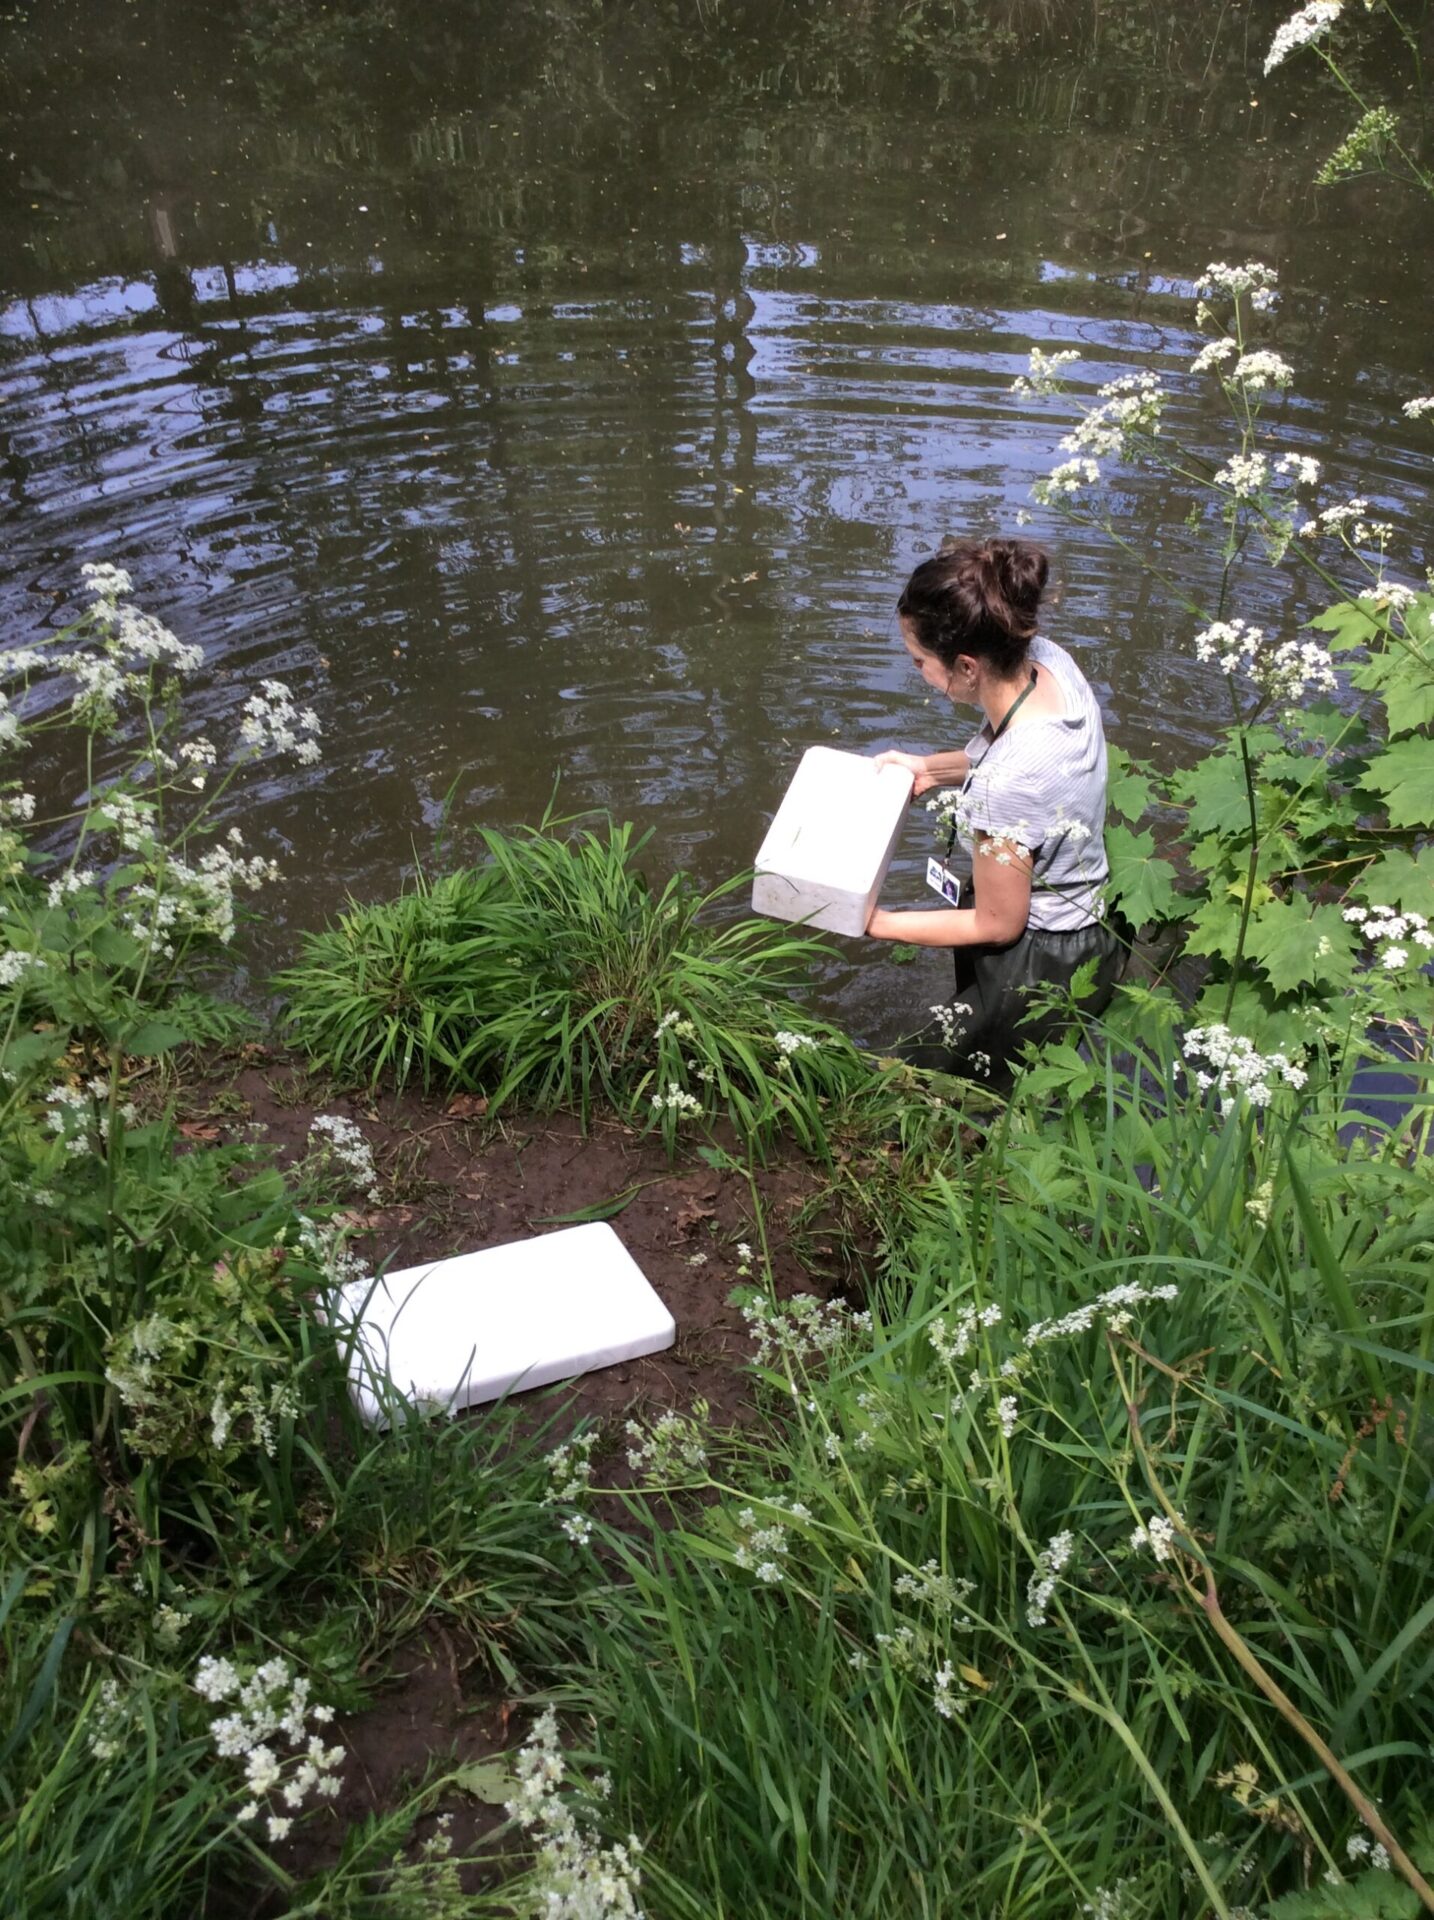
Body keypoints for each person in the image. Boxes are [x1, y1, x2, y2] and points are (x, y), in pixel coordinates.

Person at [867, 537, 1124, 1085]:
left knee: (925, 1084)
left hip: (1041, 961)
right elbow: (1026, 761)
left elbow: (997, 924)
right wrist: (928, 769)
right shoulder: (1049, 662)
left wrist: (874, 920)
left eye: (920, 661)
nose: (916, 670)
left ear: (966, 667)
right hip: (1094, 927)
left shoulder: (1007, 783)